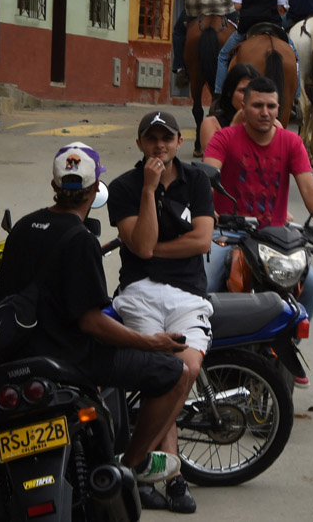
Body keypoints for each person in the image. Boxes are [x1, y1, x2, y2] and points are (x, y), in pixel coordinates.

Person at [0, 143, 194, 484]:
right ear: (94, 189)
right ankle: (132, 462)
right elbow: (91, 322)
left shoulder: (23, 228)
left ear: (55, 186)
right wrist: (150, 343)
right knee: (177, 373)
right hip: (71, 361)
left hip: (17, 359)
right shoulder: (81, 240)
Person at [107, 112, 216, 513]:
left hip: (188, 294)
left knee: (184, 369)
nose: (159, 146)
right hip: (140, 292)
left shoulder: (198, 181)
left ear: (179, 141)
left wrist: (150, 251)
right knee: (166, 374)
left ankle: (134, 464)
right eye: (151, 139)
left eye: (166, 138)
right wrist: (149, 190)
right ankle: (172, 478)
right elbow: (142, 243)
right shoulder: (124, 187)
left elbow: (201, 240)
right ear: (139, 144)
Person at [203, 76, 313, 385]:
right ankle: (203, 352)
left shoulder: (291, 142)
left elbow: (307, 185)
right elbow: (206, 176)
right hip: (227, 232)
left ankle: (286, 348)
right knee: (204, 285)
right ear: (244, 106)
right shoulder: (224, 138)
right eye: (258, 105)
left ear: (280, 108)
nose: (265, 112)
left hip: (275, 239)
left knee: (311, 285)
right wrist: (205, 210)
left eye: (271, 106)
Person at [199, 63, 261, 150]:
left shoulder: (272, 124)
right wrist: (235, 125)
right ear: (229, 92)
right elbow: (213, 157)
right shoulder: (212, 124)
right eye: (243, 91)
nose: (249, 97)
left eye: (255, 91)